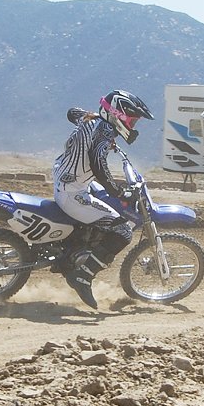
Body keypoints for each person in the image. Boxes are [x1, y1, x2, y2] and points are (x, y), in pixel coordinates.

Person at [51, 90, 154, 309]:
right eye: (133, 120)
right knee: (122, 232)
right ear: (119, 115)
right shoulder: (104, 133)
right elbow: (99, 167)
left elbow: (72, 113)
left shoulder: (93, 121)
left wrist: (92, 118)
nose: (134, 126)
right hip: (72, 192)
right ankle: (83, 276)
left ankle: (75, 247)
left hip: (64, 178)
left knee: (99, 198)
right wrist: (120, 192)